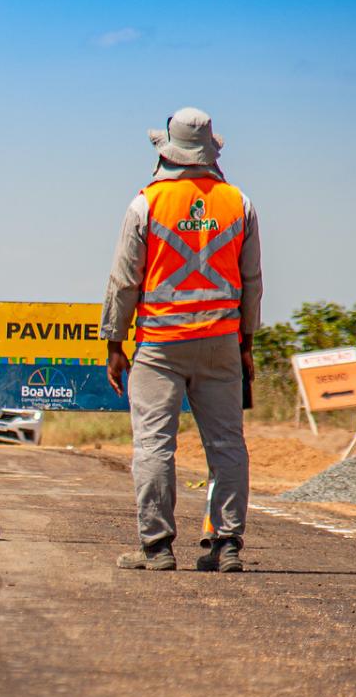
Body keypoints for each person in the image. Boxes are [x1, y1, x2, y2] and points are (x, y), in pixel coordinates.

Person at [102, 107, 262, 573]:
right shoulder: (240, 203)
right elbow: (252, 281)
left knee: (154, 445)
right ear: (211, 149)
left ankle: (157, 547)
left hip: (160, 344)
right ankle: (227, 543)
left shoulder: (145, 204)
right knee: (228, 445)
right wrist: (246, 343)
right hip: (220, 342)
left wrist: (115, 343)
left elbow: (123, 281)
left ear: (167, 150)